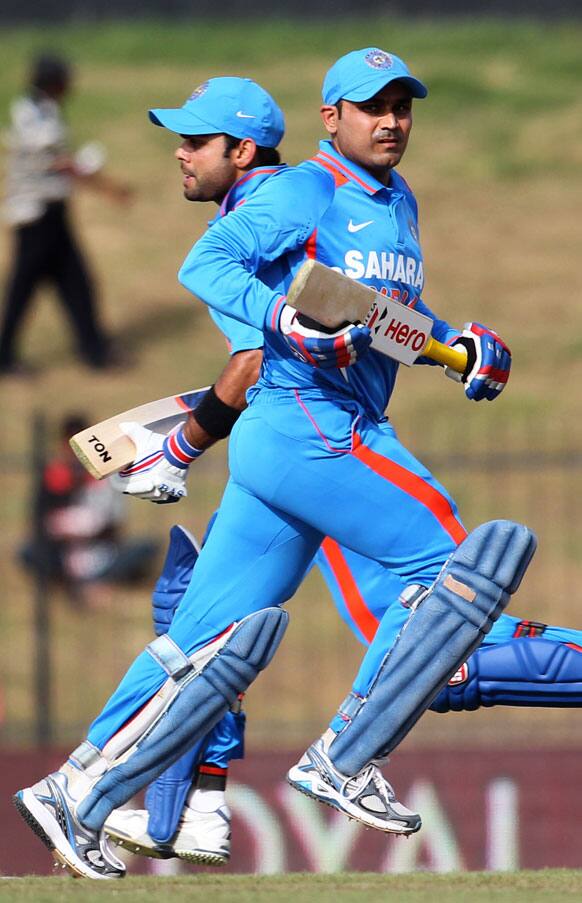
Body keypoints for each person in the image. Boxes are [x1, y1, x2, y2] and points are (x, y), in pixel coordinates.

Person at [14, 56, 536, 881]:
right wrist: (284, 322)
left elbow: (376, 316)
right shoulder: (297, 192)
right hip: (314, 429)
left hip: (288, 441)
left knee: (199, 642)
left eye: (402, 107)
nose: (391, 121)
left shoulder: (396, 199)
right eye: (372, 108)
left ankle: (74, 790)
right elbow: (212, 274)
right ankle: (345, 752)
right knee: (449, 565)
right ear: (330, 119)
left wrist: (453, 348)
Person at [0, 53, 131, 376]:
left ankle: (94, 350)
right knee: (24, 288)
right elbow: (63, 163)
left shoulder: (43, 109)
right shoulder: (33, 116)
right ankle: (5, 356)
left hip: (52, 216)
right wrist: (108, 186)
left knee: (76, 283)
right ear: (54, 83)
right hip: (36, 218)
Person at [20, 412, 160, 607]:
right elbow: (39, 522)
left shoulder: (107, 477)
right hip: (61, 553)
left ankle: (101, 581)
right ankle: (70, 583)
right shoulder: (53, 476)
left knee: (147, 547)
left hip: (102, 552)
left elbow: (116, 525)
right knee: (28, 552)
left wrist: (93, 530)